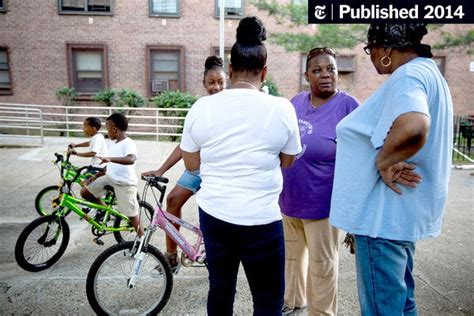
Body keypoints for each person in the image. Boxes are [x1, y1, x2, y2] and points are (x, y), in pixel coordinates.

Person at [180, 16, 302, 315]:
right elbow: (287, 161)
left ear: (230, 69)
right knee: (268, 296)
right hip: (262, 219)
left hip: (216, 214)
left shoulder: (202, 107)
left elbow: (191, 162)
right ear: (265, 71)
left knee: (220, 288)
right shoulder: (282, 108)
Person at [330, 23, 453, 315]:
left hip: (382, 221)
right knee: (401, 302)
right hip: (398, 218)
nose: (370, 56)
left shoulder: (408, 75)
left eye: (370, 49)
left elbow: (414, 126)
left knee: (382, 308)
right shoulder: (429, 72)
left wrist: (383, 161)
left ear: (385, 49)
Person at [279, 47, 359, 315]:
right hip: (289, 201)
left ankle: (322, 313)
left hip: (323, 205)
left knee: (322, 266)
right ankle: (293, 301)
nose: (325, 75)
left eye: (331, 69)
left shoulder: (349, 106)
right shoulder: (295, 103)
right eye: (317, 70)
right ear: (306, 76)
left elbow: (366, 151)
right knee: (291, 259)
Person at [141, 55, 226, 272]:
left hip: (219, 171)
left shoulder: (231, 106)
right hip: (198, 170)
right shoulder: (199, 107)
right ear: (204, 83)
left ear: (227, 82)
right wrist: (161, 169)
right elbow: (185, 144)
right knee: (172, 200)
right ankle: (171, 257)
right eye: (211, 83)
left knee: (212, 216)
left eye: (220, 82)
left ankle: (216, 256)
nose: (216, 87)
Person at [81, 113, 144, 236]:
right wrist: (95, 176)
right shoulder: (113, 144)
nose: (107, 132)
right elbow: (109, 167)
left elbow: (131, 159)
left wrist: (110, 159)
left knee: (132, 214)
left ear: (114, 129)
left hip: (124, 182)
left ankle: (142, 240)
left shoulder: (128, 142)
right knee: (85, 192)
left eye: (107, 129)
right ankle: (107, 211)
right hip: (109, 178)